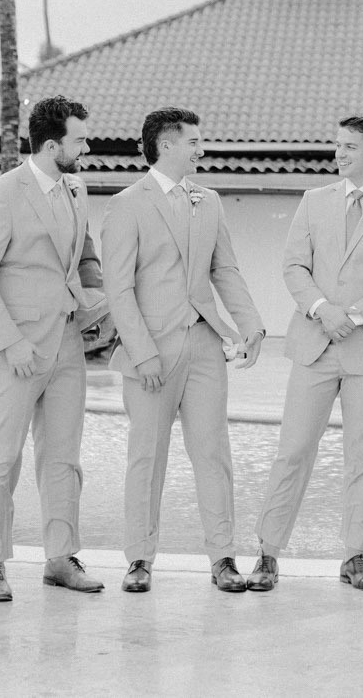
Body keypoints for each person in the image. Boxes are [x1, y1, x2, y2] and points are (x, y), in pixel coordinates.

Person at [247, 115, 363, 593]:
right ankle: (267, 553)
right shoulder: (313, 201)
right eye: (338, 145)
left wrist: (357, 315)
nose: (340, 153)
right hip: (314, 343)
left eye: (349, 146)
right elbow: (294, 265)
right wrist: (324, 310)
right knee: (293, 451)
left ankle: (355, 556)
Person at [101, 107, 265, 594]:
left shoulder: (209, 200)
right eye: (193, 140)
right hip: (149, 351)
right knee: (146, 457)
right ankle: (138, 561)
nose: (201, 147)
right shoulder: (127, 205)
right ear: (166, 145)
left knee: (214, 454)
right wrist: (140, 350)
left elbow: (225, 271)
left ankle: (223, 559)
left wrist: (251, 326)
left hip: (204, 347)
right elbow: (118, 287)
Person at [0, 96, 107, 603]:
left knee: (64, 458)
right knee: (1, 460)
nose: (87, 147)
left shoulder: (77, 188)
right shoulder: (0, 195)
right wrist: (12, 343)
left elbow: (84, 253)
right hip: (14, 352)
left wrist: (97, 302)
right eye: (79, 140)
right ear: (51, 145)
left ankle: (60, 559)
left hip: (67, 346)